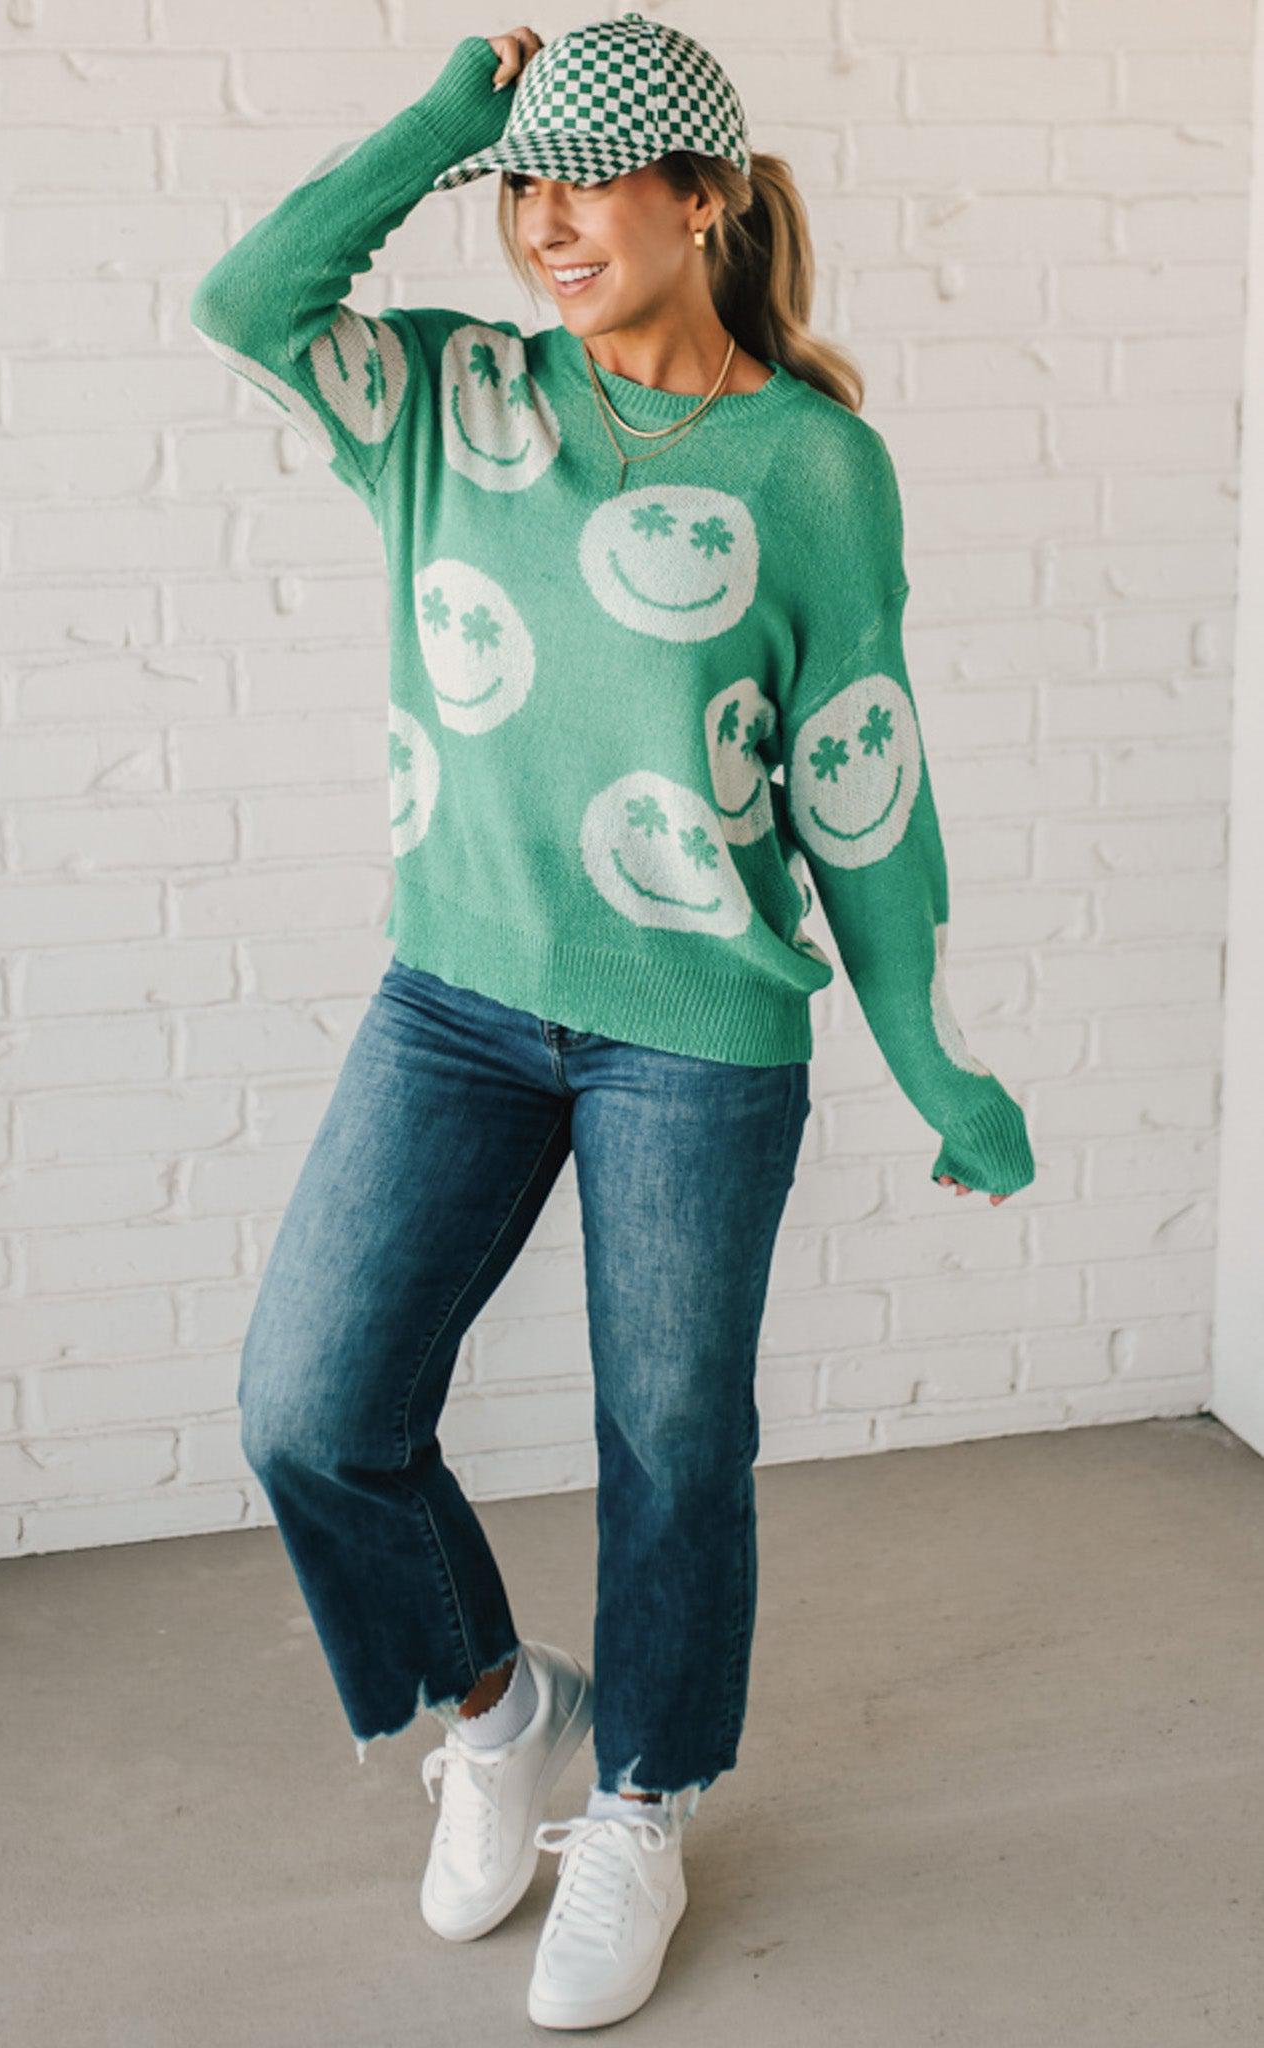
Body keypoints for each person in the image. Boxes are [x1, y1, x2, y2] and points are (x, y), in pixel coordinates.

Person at [189, 11, 1036, 2029]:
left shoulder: (813, 462)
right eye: (526, 194)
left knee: (671, 1443)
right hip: (452, 1003)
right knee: (310, 1407)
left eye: (589, 183)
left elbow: (857, 774)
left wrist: (927, 1051)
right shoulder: (448, 398)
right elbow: (249, 296)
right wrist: (443, 123)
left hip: (696, 1036)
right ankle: (494, 1715)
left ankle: (641, 1803)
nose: (548, 227)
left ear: (704, 196)